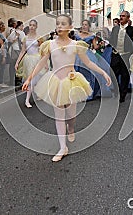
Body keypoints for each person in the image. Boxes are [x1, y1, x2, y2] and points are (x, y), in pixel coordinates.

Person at [22, 14, 111, 162]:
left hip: (71, 82)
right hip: (55, 81)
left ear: (70, 27)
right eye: (57, 24)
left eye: (63, 24)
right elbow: (40, 63)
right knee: (59, 116)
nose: (59, 27)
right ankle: (63, 147)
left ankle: (71, 128)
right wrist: (29, 78)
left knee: (71, 115)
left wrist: (103, 72)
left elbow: (88, 63)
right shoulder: (49, 44)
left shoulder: (76, 45)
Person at [108, 11, 133, 102]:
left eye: (123, 16)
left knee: (125, 76)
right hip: (116, 55)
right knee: (113, 74)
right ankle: (116, 90)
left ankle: (123, 94)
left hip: (126, 56)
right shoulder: (115, 29)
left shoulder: (132, 30)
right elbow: (111, 40)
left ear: (128, 18)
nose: (121, 17)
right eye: (120, 16)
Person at [15, 19, 45, 108]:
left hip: (37, 59)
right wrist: (17, 62)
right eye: (30, 25)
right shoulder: (25, 38)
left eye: (33, 25)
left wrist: (45, 63)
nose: (31, 27)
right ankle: (27, 100)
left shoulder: (39, 38)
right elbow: (22, 51)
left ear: (36, 27)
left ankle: (37, 94)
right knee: (30, 80)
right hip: (28, 60)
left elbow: (42, 51)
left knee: (37, 79)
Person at [7, 21, 25, 86]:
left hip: (12, 50)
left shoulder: (12, 32)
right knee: (18, 65)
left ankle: (12, 80)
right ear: (19, 26)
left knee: (12, 66)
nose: (23, 27)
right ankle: (17, 80)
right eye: (22, 26)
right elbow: (24, 42)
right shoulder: (21, 33)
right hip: (18, 50)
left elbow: (8, 40)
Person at [0, 21, 9, 88]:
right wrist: (4, 56)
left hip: (3, 53)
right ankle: (0, 82)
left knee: (2, 68)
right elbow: (2, 46)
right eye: (3, 26)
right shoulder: (0, 35)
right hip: (2, 54)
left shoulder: (1, 34)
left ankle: (1, 82)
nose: (5, 27)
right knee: (1, 68)